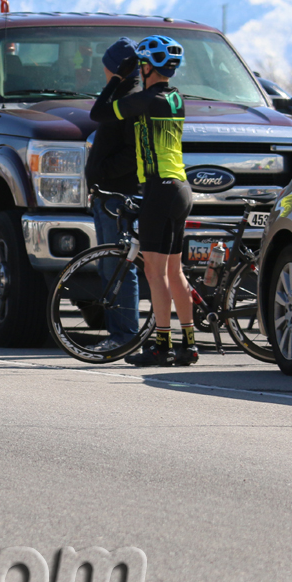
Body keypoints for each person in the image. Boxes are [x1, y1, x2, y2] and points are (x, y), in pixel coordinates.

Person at [90, 34, 195, 367]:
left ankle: (161, 345)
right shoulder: (175, 97)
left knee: (154, 272)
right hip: (180, 186)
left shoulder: (146, 101)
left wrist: (119, 79)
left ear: (147, 66)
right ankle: (188, 344)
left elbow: (99, 113)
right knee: (175, 272)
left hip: (159, 190)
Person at [85, 38, 142, 354]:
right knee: (109, 266)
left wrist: (103, 171)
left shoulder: (129, 100)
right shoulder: (121, 93)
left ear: (114, 68)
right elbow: (98, 114)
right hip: (106, 195)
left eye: (106, 66)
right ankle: (117, 333)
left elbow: (133, 155)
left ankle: (125, 335)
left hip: (119, 195)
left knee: (122, 266)